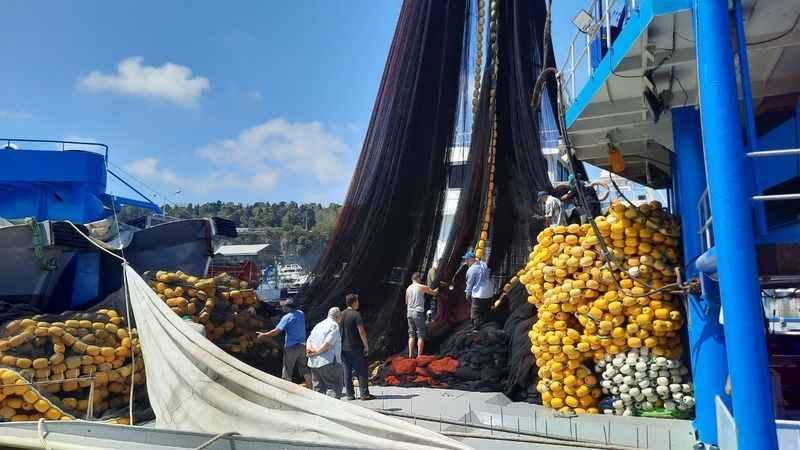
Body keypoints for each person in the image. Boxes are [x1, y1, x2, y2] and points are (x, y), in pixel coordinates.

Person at [256, 299, 311, 388]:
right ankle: (310, 387)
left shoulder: (287, 317)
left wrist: (264, 335)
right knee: (304, 368)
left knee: (287, 369)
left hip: (292, 347)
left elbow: (276, 332)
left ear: (288, 307)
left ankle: (287, 390)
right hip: (303, 346)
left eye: (283, 306)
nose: (282, 308)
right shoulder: (300, 313)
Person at [340, 294, 376, 401]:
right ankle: (364, 394)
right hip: (355, 347)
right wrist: (366, 345)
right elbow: (361, 331)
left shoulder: (341, 314)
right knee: (361, 370)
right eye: (357, 301)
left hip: (343, 347)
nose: (358, 303)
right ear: (354, 302)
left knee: (347, 371)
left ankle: (349, 394)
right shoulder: (356, 315)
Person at [306, 307, 344, 398]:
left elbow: (309, 340)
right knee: (333, 387)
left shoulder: (318, 325)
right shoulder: (334, 325)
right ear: (338, 316)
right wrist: (317, 352)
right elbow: (328, 344)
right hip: (328, 362)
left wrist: (309, 351)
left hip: (314, 362)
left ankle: (318, 411)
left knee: (318, 389)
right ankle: (331, 411)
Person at [406, 272, 438, 358]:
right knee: (420, 335)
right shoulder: (422, 287)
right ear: (418, 278)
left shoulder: (408, 288)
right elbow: (434, 293)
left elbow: (406, 302)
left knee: (411, 334)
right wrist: (440, 286)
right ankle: (419, 356)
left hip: (409, 312)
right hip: (418, 312)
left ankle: (410, 354)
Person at [464, 250, 492, 331]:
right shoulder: (484, 264)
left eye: (467, 260)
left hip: (478, 295)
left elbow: (469, 285)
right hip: (489, 293)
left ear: (471, 259)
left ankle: (476, 330)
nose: (466, 262)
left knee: (475, 314)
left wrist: (467, 295)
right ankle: (485, 328)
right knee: (485, 313)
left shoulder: (471, 270)